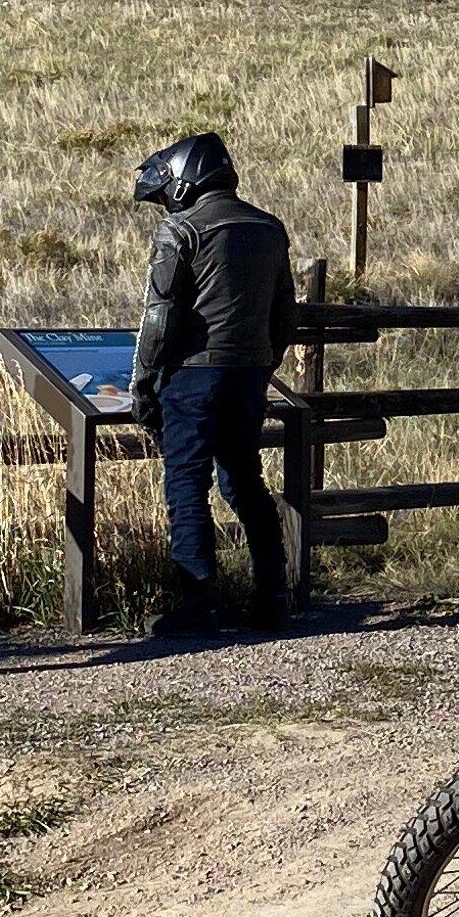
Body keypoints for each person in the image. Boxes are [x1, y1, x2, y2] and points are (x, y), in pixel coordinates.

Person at [129, 132, 299, 636]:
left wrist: (144, 381)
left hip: (193, 375)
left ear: (185, 180)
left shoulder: (180, 231)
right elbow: (284, 314)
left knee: (186, 483)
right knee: (245, 482)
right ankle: (273, 597)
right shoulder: (269, 228)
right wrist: (263, 365)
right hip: (249, 373)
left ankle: (198, 602)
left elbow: (160, 318)